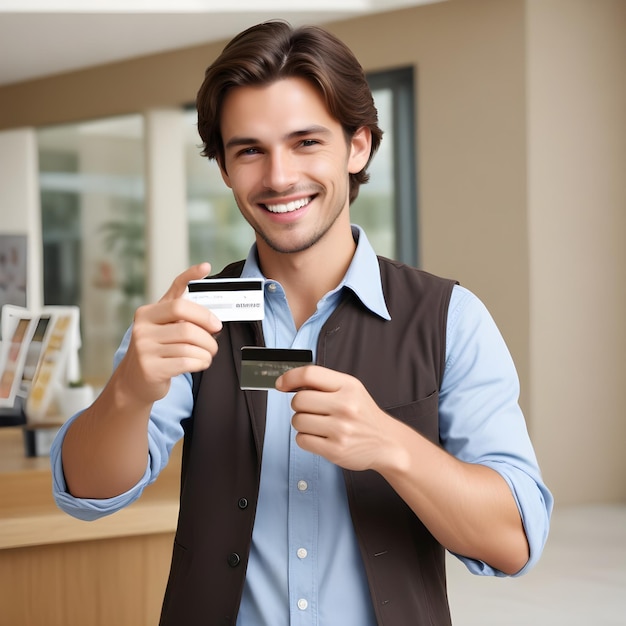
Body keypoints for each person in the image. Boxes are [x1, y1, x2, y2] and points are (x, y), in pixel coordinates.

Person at [51, 20, 552, 626]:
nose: (280, 176)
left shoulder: (451, 319)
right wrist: (129, 391)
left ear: (358, 146)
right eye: (250, 150)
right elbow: (86, 496)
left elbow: (514, 542)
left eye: (306, 142)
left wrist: (391, 445)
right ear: (225, 169)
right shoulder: (191, 315)